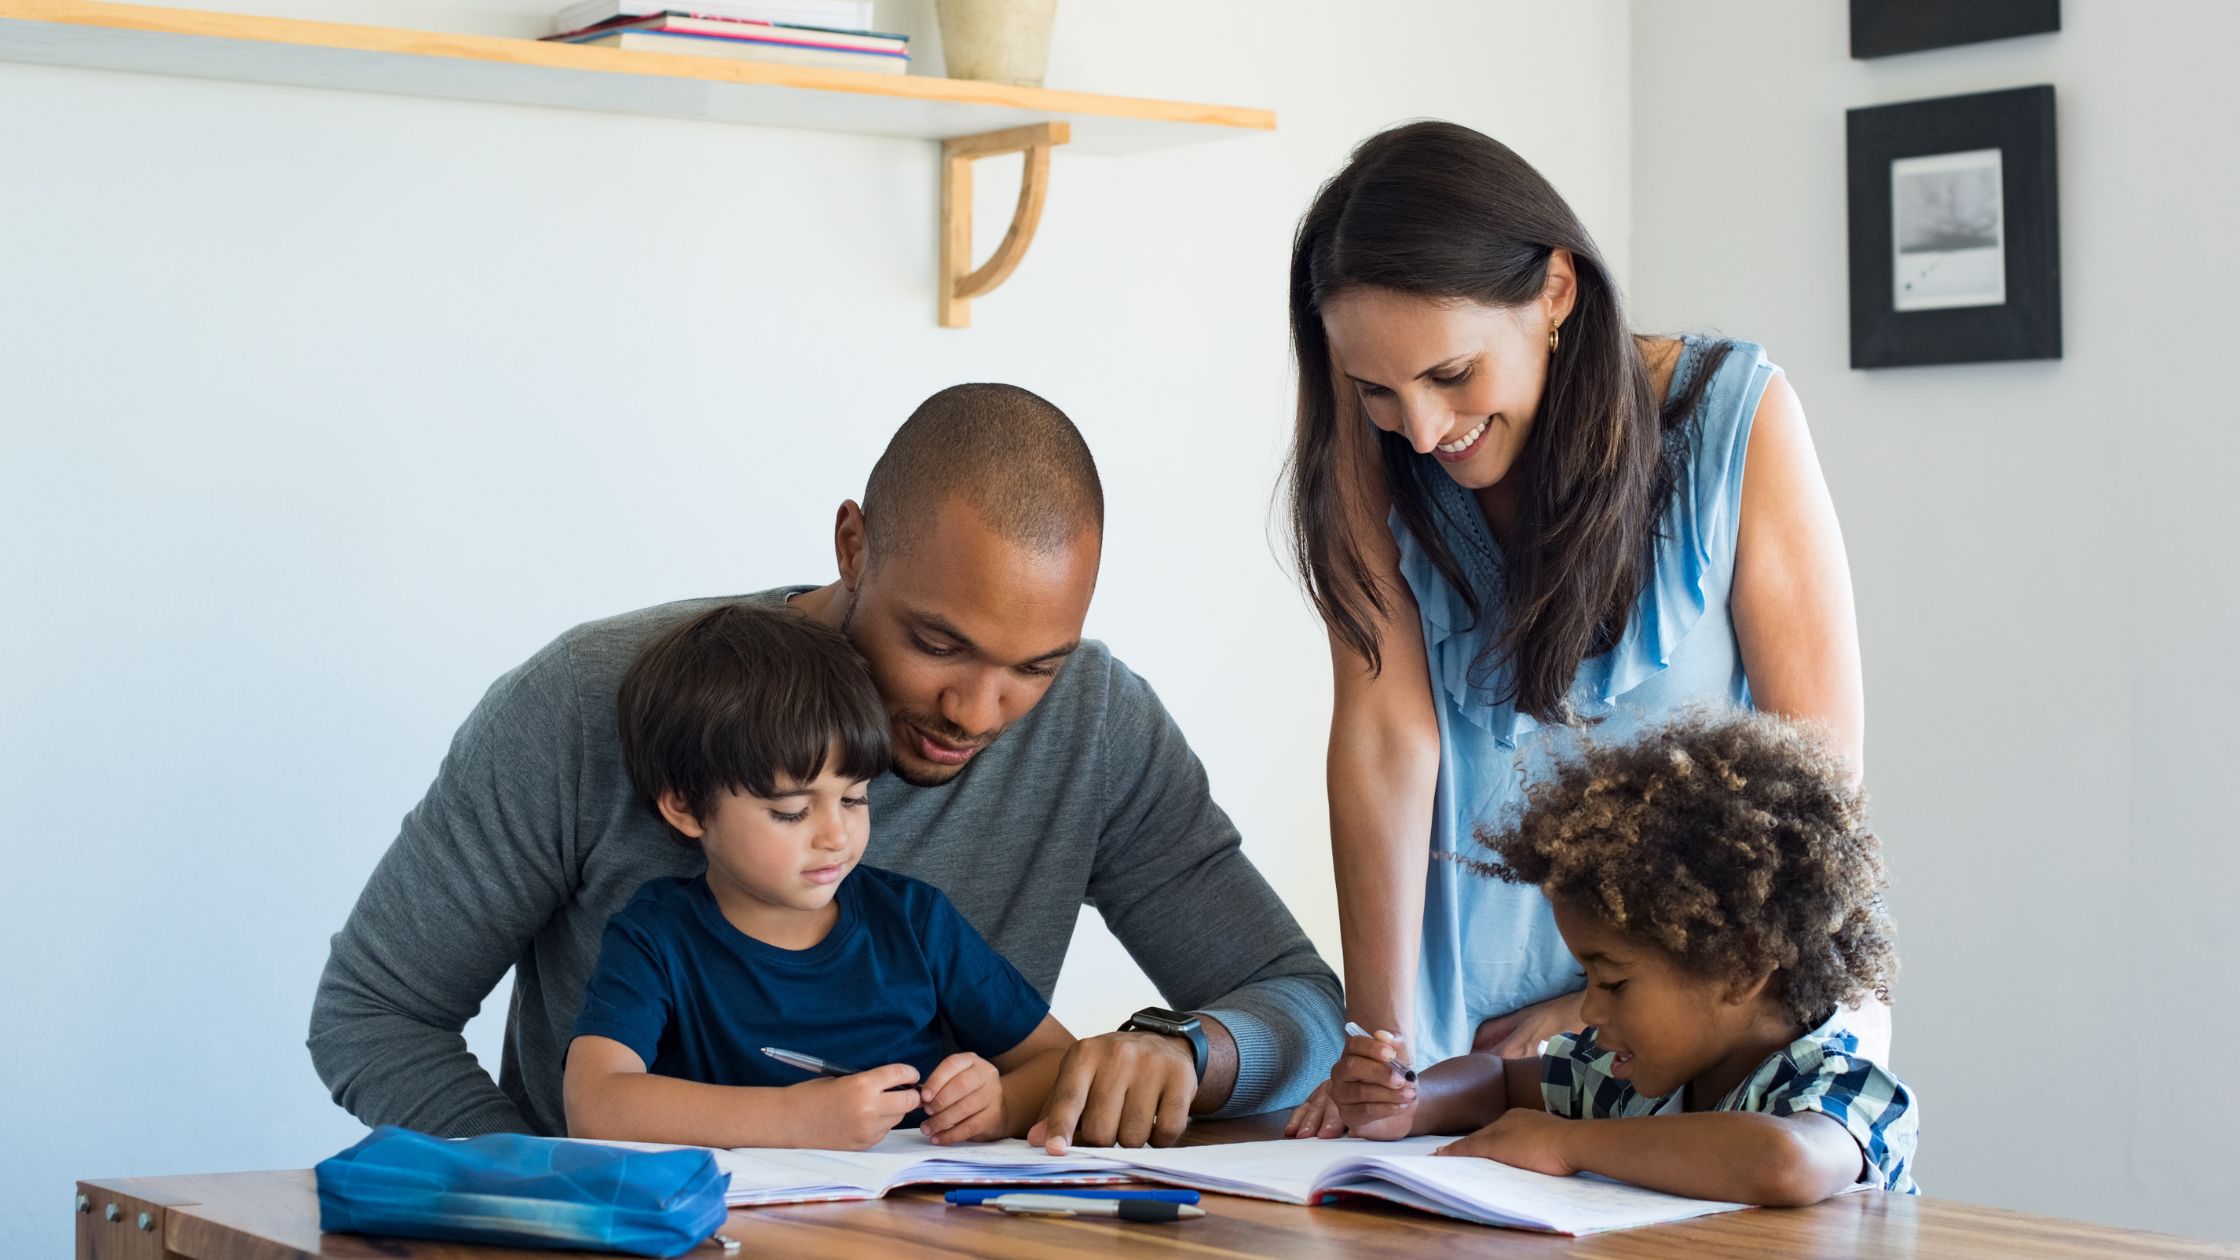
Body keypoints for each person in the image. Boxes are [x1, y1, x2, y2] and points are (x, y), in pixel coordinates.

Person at [310, 383, 1342, 1148]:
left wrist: (1188, 1051)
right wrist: (553, 1199)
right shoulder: (589, 700)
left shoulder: (1096, 724)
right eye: (937, 645)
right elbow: (373, 1016)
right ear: (853, 543)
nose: (977, 713)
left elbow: (1296, 1001)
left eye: (1033, 666)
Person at [1278, 121, 1877, 1136]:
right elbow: (1385, 742)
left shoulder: (1736, 418)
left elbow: (1811, 786)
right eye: (1376, 390)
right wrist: (1378, 1049)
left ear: (1554, 291)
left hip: (1704, 1032)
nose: (1421, 430)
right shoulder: (1371, 459)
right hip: (1460, 1050)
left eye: (1450, 375)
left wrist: (1598, 1005)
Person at [1327, 711, 1917, 1204]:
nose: (1588, 1009)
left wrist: (1565, 1144)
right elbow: (1500, 1082)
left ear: (1741, 968)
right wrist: (1410, 1102)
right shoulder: (1633, 1076)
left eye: (1612, 983)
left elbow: (1785, 1162)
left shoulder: (1842, 1082)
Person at [563, 605, 1074, 1151]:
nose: (835, 836)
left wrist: (1000, 1105)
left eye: (854, 798)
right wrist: (791, 1118)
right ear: (687, 808)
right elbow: (596, 1104)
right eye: (791, 810)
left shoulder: (914, 921)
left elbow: (1060, 1060)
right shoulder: (656, 938)